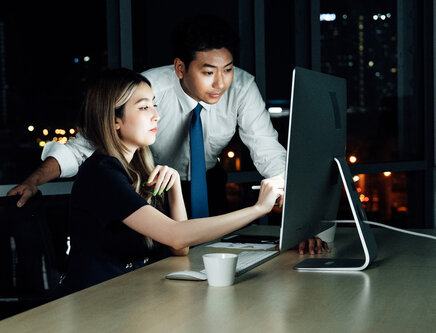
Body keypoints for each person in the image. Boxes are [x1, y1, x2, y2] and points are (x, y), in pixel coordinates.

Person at [8, 14, 329, 255]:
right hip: (151, 187)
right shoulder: (144, 90)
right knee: (164, 259)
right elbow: (82, 147)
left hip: (202, 182)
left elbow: (268, 152)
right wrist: (33, 181)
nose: (221, 83)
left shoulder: (242, 87)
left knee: (207, 262)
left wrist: (302, 226)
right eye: (208, 72)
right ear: (180, 68)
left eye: (228, 69)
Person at [59, 68, 283, 293]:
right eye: (144, 107)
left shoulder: (134, 170)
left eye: (154, 105)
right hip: (97, 303)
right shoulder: (102, 174)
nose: (156, 115)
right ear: (114, 119)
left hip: (130, 292)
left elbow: (180, 248)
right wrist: (257, 209)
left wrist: (175, 185)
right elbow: (176, 237)